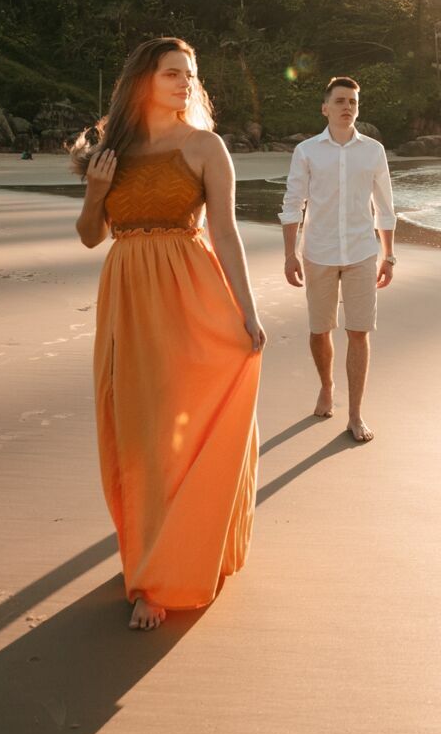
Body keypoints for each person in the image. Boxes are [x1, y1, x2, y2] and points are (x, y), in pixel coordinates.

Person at [71, 37, 266, 631]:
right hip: (129, 296)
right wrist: (97, 191)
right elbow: (88, 235)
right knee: (140, 431)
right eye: (172, 74)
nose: (185, 83)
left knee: (183, 425)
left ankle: (165, 570)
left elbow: (227, 235)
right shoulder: (112, 151)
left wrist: (248, 312)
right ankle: (150, 564)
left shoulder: (205, 146)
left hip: (192, 293)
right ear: (143, 82)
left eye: (190, 75)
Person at [280, 76, 396, 442]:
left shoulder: (373, 151)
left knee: (358, 331)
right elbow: (292, 203)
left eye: (353, 102)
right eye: (341, 101)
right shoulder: (308, 151)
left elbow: (385, 206)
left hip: (363, 251)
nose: (348, 107)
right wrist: (289, 254)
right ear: (325, 107)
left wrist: (389, 256)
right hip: (319, 252)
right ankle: (327, 386)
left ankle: (356, 414)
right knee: (320, 330)